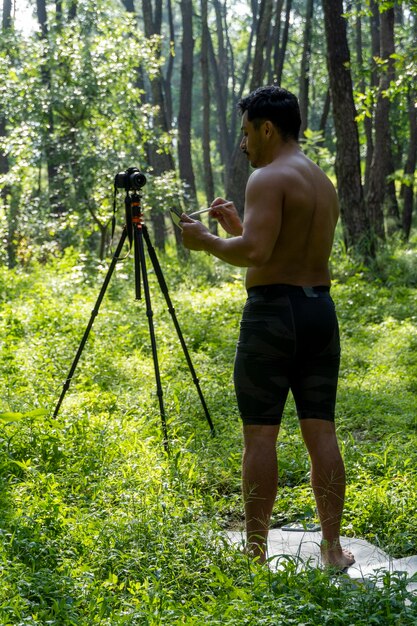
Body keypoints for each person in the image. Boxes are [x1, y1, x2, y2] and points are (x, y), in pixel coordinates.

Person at [180, 85, 354, 570]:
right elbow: (281, 248)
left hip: (273, 316)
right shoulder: (320, 180)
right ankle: (333, 550)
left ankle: (255, 557)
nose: (243, 144)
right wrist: (237, 227)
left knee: (260, 436)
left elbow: (257, 256)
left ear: (267, 128)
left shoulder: (267, 176)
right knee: (322, 432)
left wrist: (206, 241)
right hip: (319, 312)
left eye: (246, 133)